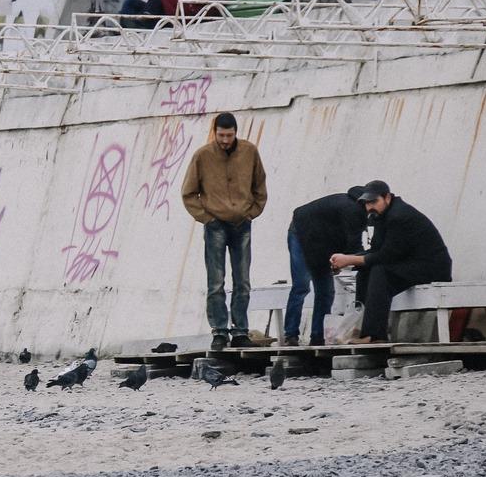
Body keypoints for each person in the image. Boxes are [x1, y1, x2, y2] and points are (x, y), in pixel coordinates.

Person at [181, 112, 268, 351]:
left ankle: (240, 331)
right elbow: (188, 193)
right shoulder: (202, 156)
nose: (225, 140)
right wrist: (207, 219)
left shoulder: (250, 152)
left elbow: (260, 184)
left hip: (242, 223)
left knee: (243, 281)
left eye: (229, 135)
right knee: (216, 282)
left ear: (235, 133)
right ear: (214, 132)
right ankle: (219, 331)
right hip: (215, 225)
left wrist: (252, 212)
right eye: (221, 135)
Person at [330, 180, 452, 343]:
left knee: (380, 271)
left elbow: (386, 256)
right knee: (365, 271)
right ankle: (360, 328)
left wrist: (349, 259)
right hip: (409, 264)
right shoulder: (380, 216)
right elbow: (376, 251)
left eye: (373, 202)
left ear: (387, 197)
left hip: (432, 267)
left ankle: (374, 335)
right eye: (366, 203)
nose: (369, 207)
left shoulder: (399, 216)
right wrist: (347, 261)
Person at [283, 187, 367, 347]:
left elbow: (341, 240)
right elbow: (354, 246)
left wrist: (337, 260)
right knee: (302, 285)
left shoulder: (348, 208)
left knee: (324, 290)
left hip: (320, 240)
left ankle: (317, 336)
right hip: (300, 233)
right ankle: (291, 334)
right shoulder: (353, 211)